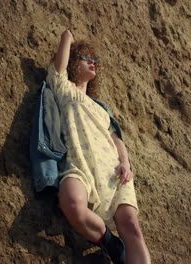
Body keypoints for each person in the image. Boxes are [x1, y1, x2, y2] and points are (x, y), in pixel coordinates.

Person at [46, 29, 151, 264]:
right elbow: (59, 64)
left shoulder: (101, 108)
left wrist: (125, 162)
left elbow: (116, 139)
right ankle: (109, 241)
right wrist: (68, 37)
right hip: (79, 164)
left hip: (114, 170)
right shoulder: (63, 88)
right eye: (86, 58)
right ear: (74, 62)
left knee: (132, 227)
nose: (93, 63)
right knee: (73, 204)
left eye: (95, 61)